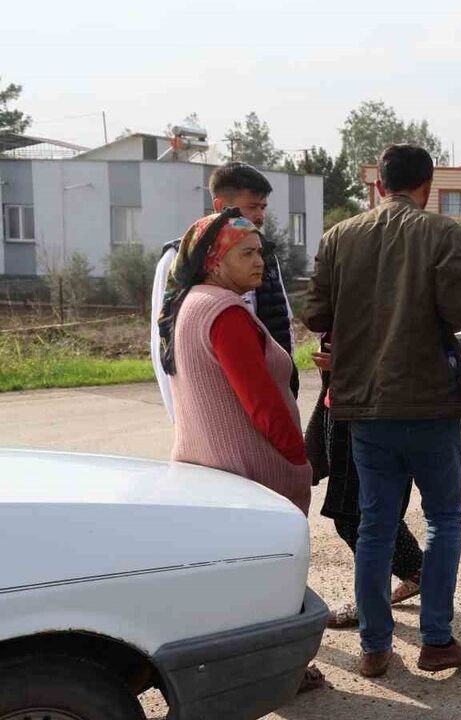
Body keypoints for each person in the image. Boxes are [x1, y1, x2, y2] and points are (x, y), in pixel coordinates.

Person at [302, 144, 461, 679]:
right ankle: (436, 641)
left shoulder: (338, 237)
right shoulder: (443, 234)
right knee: (443, 520)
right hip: (430, 405)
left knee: (376, 525)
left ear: (378, 185)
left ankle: (375, 648)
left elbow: (315, 314)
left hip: (364, 408)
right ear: (428, 186)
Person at [157, 209, 325, 693]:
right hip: (253, 473)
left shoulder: (191, 302)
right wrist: (298, 458)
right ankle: (276, 674)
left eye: (260, 251)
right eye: (246, 253)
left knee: (234, 585)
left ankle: (250, 674)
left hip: (209, 465)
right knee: (269, 584)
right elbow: (262, 405)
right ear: (214, 259)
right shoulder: (224, 312)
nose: (260, 262)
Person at [151, 162, 295, 419]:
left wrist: (287, 389)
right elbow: (164, 340)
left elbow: (283, 322)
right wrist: (181, 417)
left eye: (263, 207)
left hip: (266, 398)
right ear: (220, 206)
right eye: (252, 207)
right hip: (212, 407)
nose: (260, 216)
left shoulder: (266, 258)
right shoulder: (180, 260)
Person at [303, 350, 423, 629]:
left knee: (357, 517)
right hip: (345, 400)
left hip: (371, 405)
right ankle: (411, 576)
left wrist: (352, 362)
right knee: (365, 513)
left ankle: (375, 609)